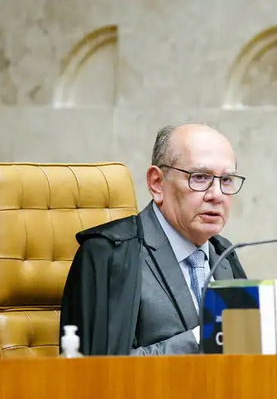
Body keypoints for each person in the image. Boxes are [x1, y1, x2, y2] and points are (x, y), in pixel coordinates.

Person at [60, 123, 247, 356]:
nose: (217, 195)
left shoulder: (224, 255)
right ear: (157, 183)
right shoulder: (108, 253)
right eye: (200, 177)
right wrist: (202, 339)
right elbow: (99, 367)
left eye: (227, 180)